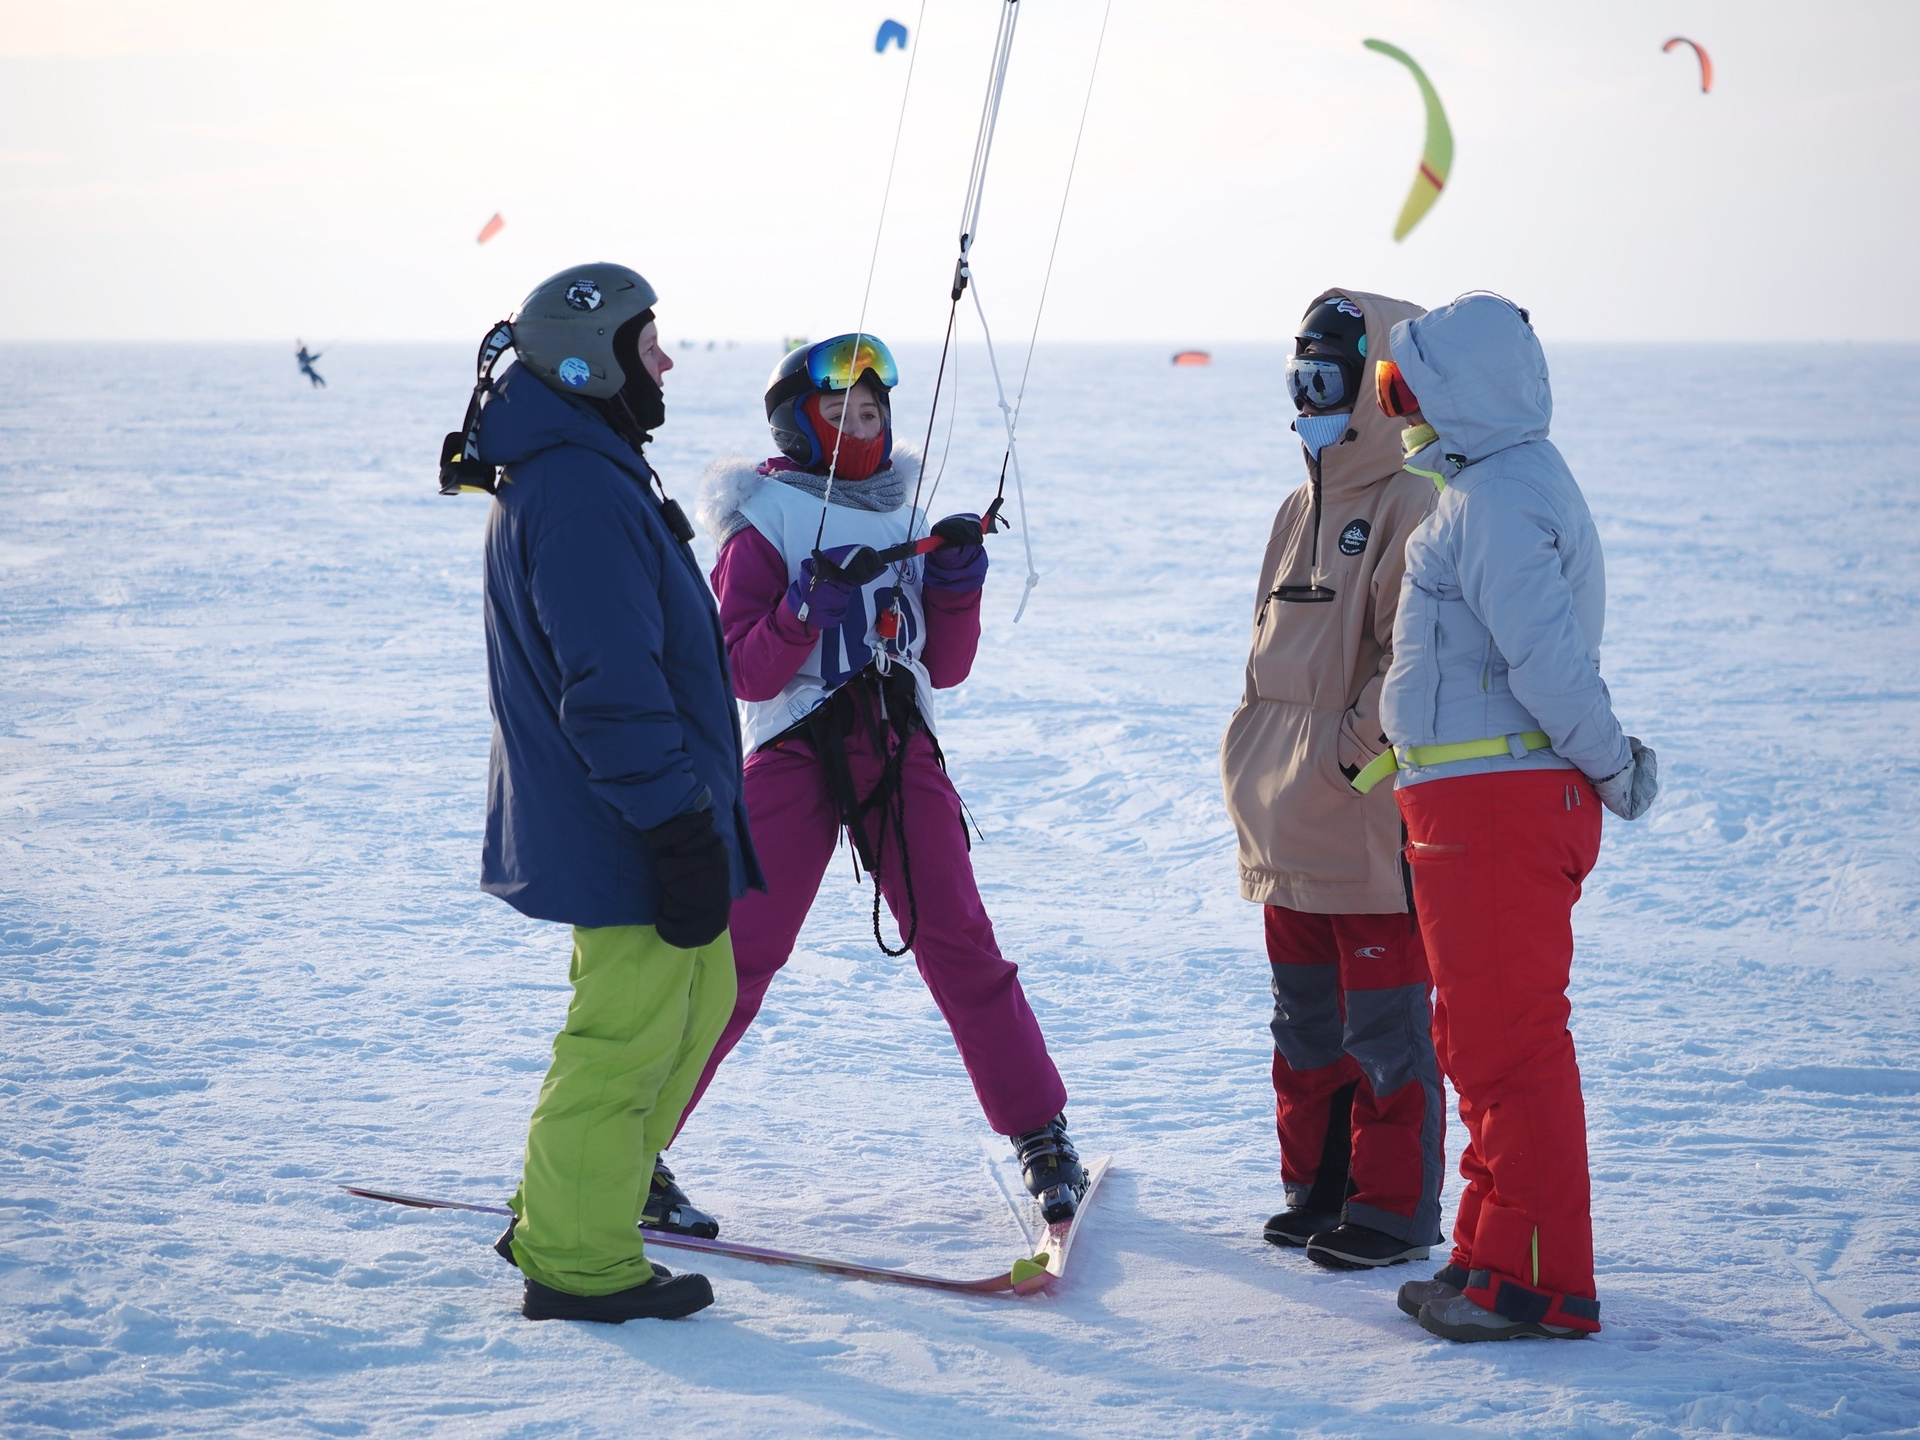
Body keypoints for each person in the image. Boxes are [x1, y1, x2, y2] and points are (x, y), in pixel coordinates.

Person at [674, 333, 1087, 1225]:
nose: (861, 427)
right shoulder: (764, 519)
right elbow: (741, 671)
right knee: (737, 955)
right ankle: (631, 1146)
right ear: (798, 425)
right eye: (840, 412)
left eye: (871, 412)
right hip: (793, 744)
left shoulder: (907, 510)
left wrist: (957, 583)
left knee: (959, 940)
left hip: (897, 739)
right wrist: (799, 611)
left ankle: (1041, 1132)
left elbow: (949, 663)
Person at [466, 262, 763, 1323]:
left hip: (647, 809)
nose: (666, 363)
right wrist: (675, 826)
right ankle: (578, 1262)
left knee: (695, 1003)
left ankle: (565, 1207)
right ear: (592, 362)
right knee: (626, 1037)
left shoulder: (590, 471)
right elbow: (611, 688)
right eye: (647, 347)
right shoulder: (580, 493)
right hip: (628, 818)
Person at [1360, 292, 1659, 1341]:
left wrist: (1613, 765)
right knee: (1476, 1037)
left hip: (1499, 806)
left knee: (1508, 1044)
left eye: (1405, 388)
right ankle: (1491, 1252)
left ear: (1466, 394)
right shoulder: (1485, 489)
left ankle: (1536, 1281)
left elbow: (1549, 662)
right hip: (1468, 802)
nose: (1396, 409)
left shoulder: (1496, 498)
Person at [1222, 291, 1446, 1271]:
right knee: (1305, 1020)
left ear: (1372, 387)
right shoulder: (1295, 508)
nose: (1308, 400)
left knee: (1384, 1027)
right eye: (1298, 379)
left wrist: (1346, 760)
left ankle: (1391, 1209)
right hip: (1282, 819)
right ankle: (1317, 1187)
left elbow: (1410, 663)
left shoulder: (1412, 502)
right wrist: (1254, 754)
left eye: (1328, 380)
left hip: (1361, 824)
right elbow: (1264, 660)